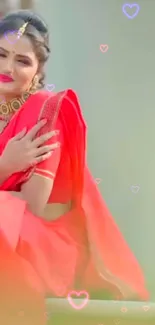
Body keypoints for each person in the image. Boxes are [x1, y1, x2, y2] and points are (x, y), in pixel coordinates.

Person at [0, 9, 149, 325]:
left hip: (39, 246)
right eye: (1, 55)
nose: (7, 67)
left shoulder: (46, 109)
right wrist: (6, 165)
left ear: (39, 70)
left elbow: (32, 207)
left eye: (22, 61)